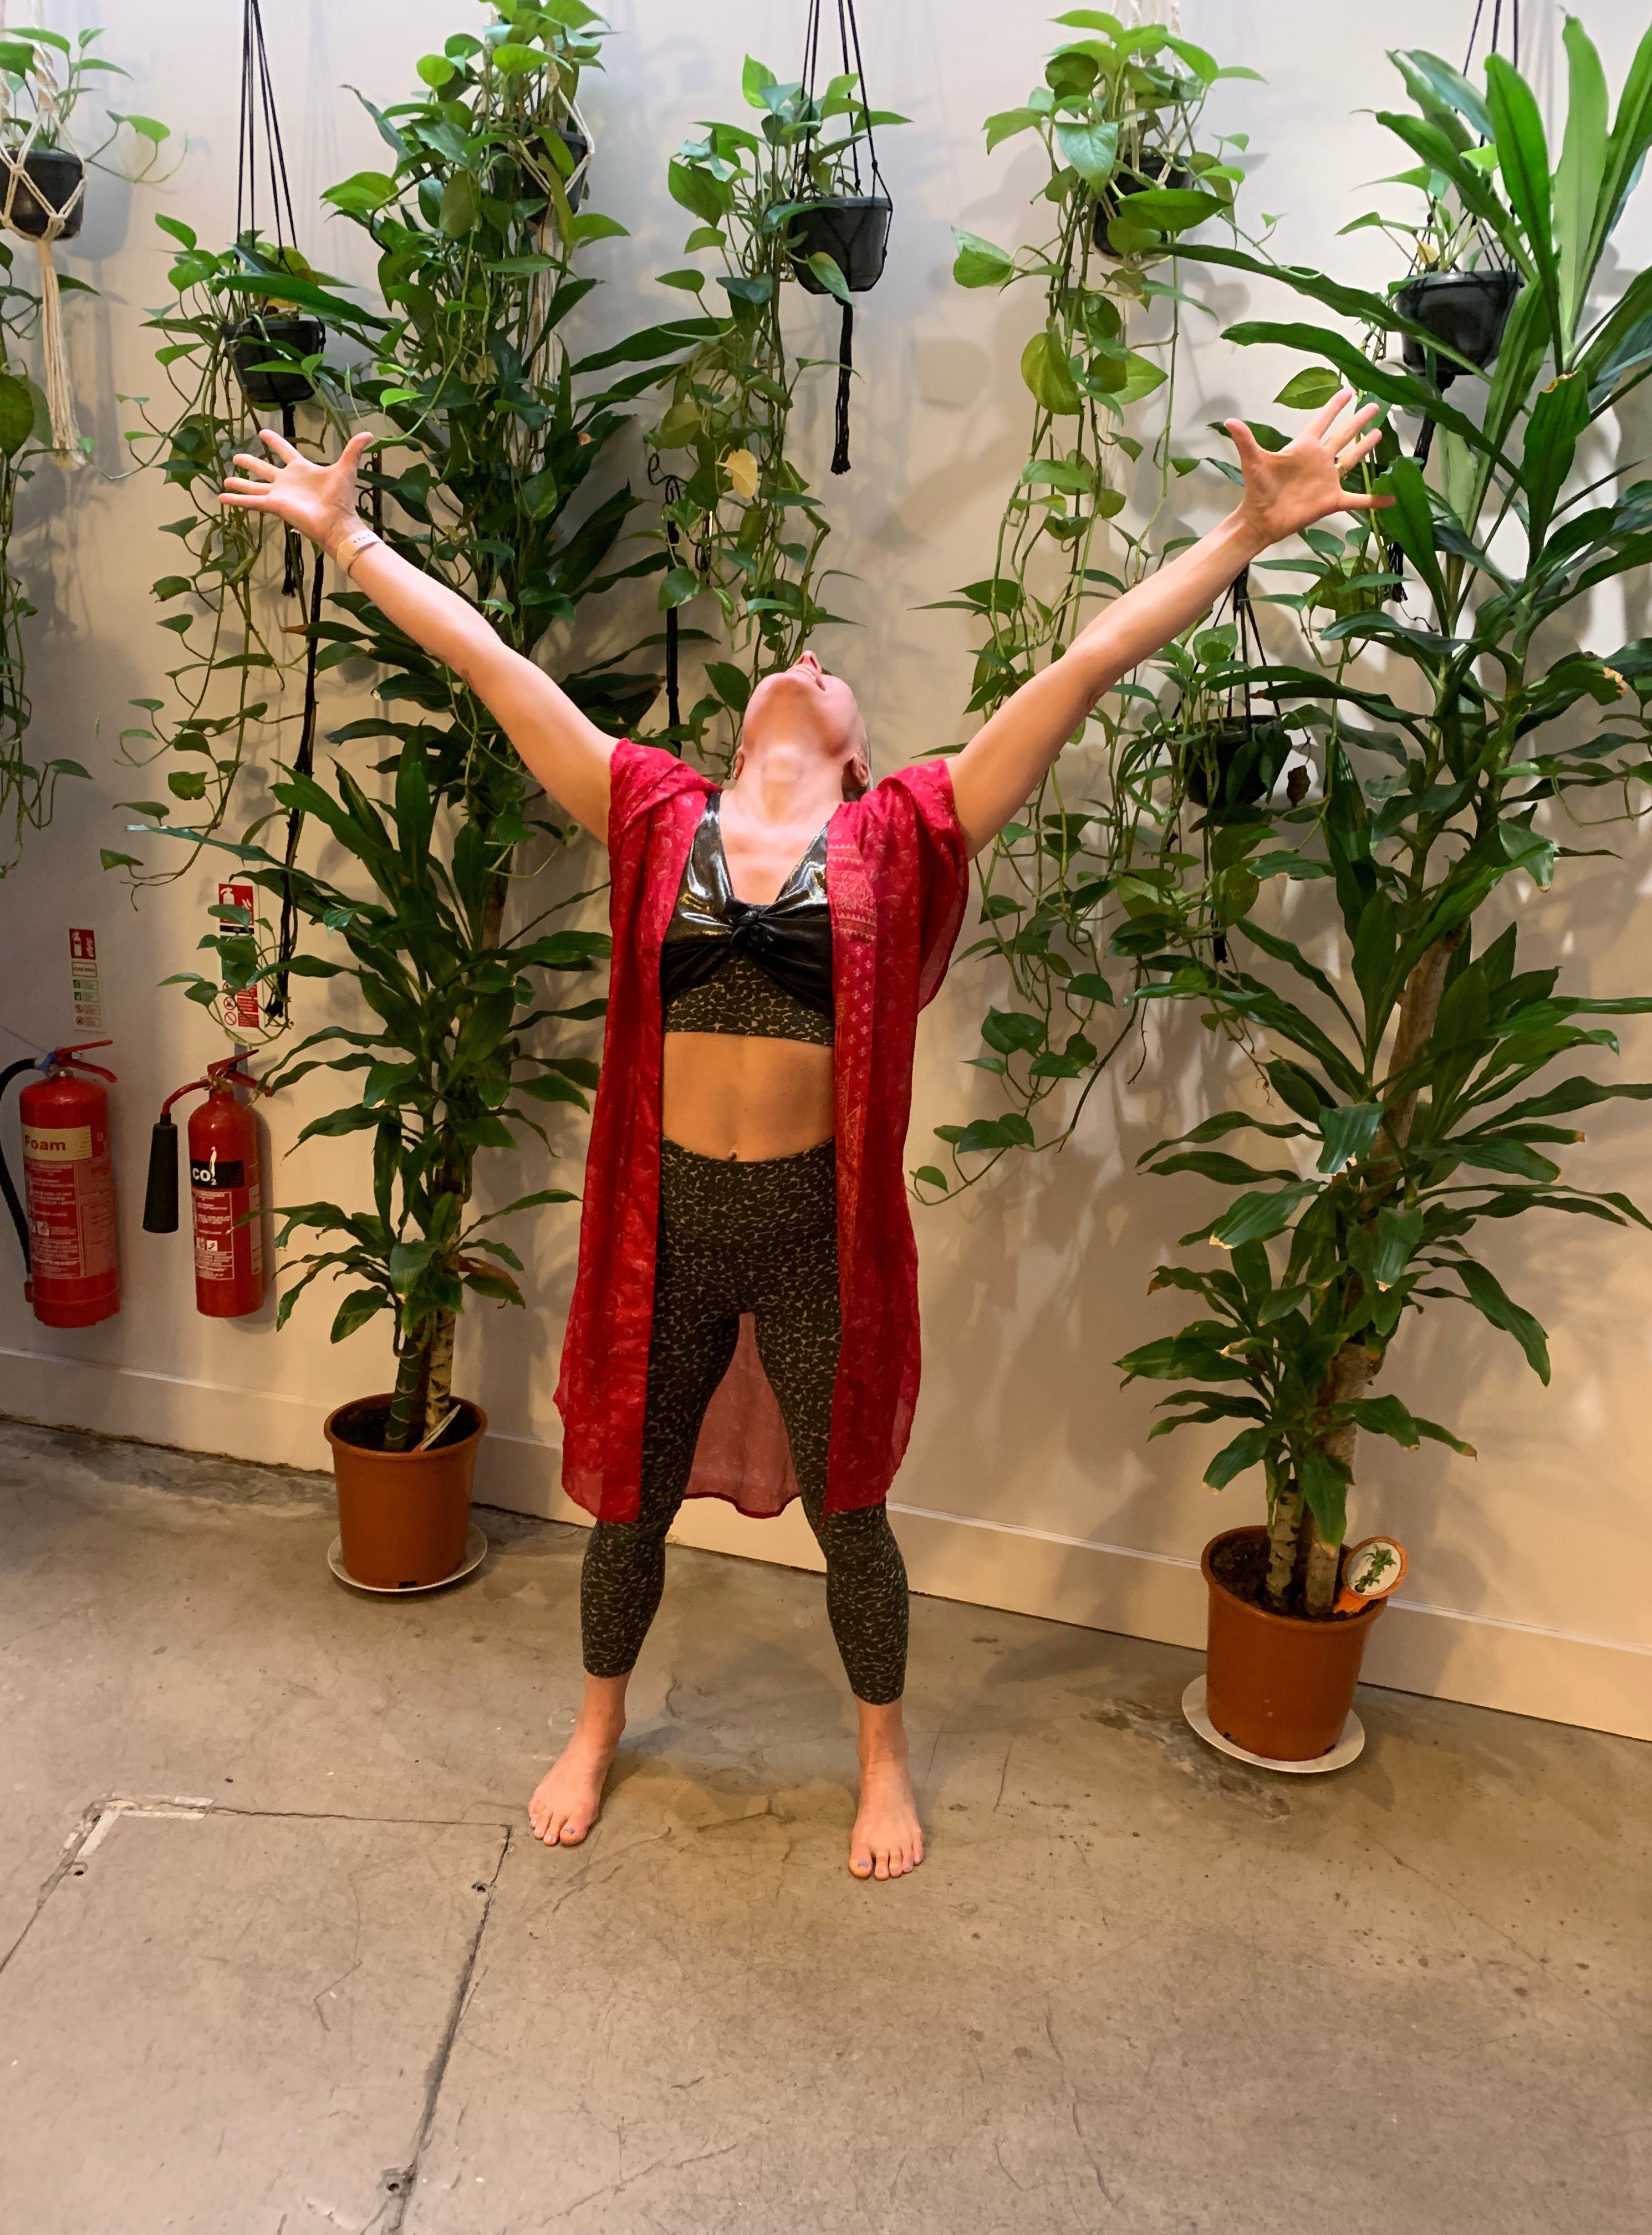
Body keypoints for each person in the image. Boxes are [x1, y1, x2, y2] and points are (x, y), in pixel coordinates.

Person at [222, 387, 1389, 1879]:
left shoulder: (903, 831)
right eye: (789, 662)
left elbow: (1089, 660)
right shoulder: (651, 812)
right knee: (627, 1513)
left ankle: (881, 1761)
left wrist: (1246, 530)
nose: (809, 658)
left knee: (854, 1520)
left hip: (814, 1232)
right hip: (674, 1222)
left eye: (835, 674)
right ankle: (596, 1723)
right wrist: (351, 539)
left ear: (853, 756)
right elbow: (495, 665)